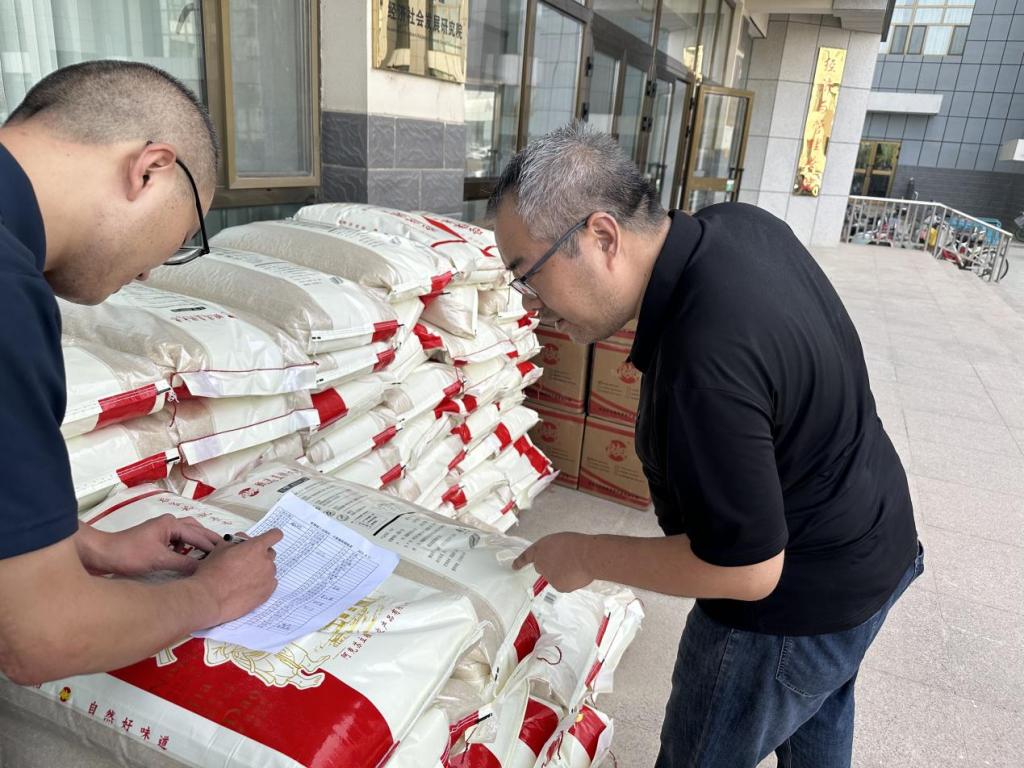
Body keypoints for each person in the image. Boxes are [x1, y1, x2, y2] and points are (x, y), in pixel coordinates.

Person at [499, 125, 922, 768]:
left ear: (603, 236)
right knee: (818, 708)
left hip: (798, 604)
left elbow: (748, 571)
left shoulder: (704, 360)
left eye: (527, 276)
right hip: (876, 540)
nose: (533, 306)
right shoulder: (736, 225)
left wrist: (585, 553)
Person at [0, 60, 280, 687]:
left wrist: (90, 544)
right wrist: (213, 594)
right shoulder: (7, 294)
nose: (153, 270)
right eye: (183, 236)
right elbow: (42, 638)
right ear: (150, 168)